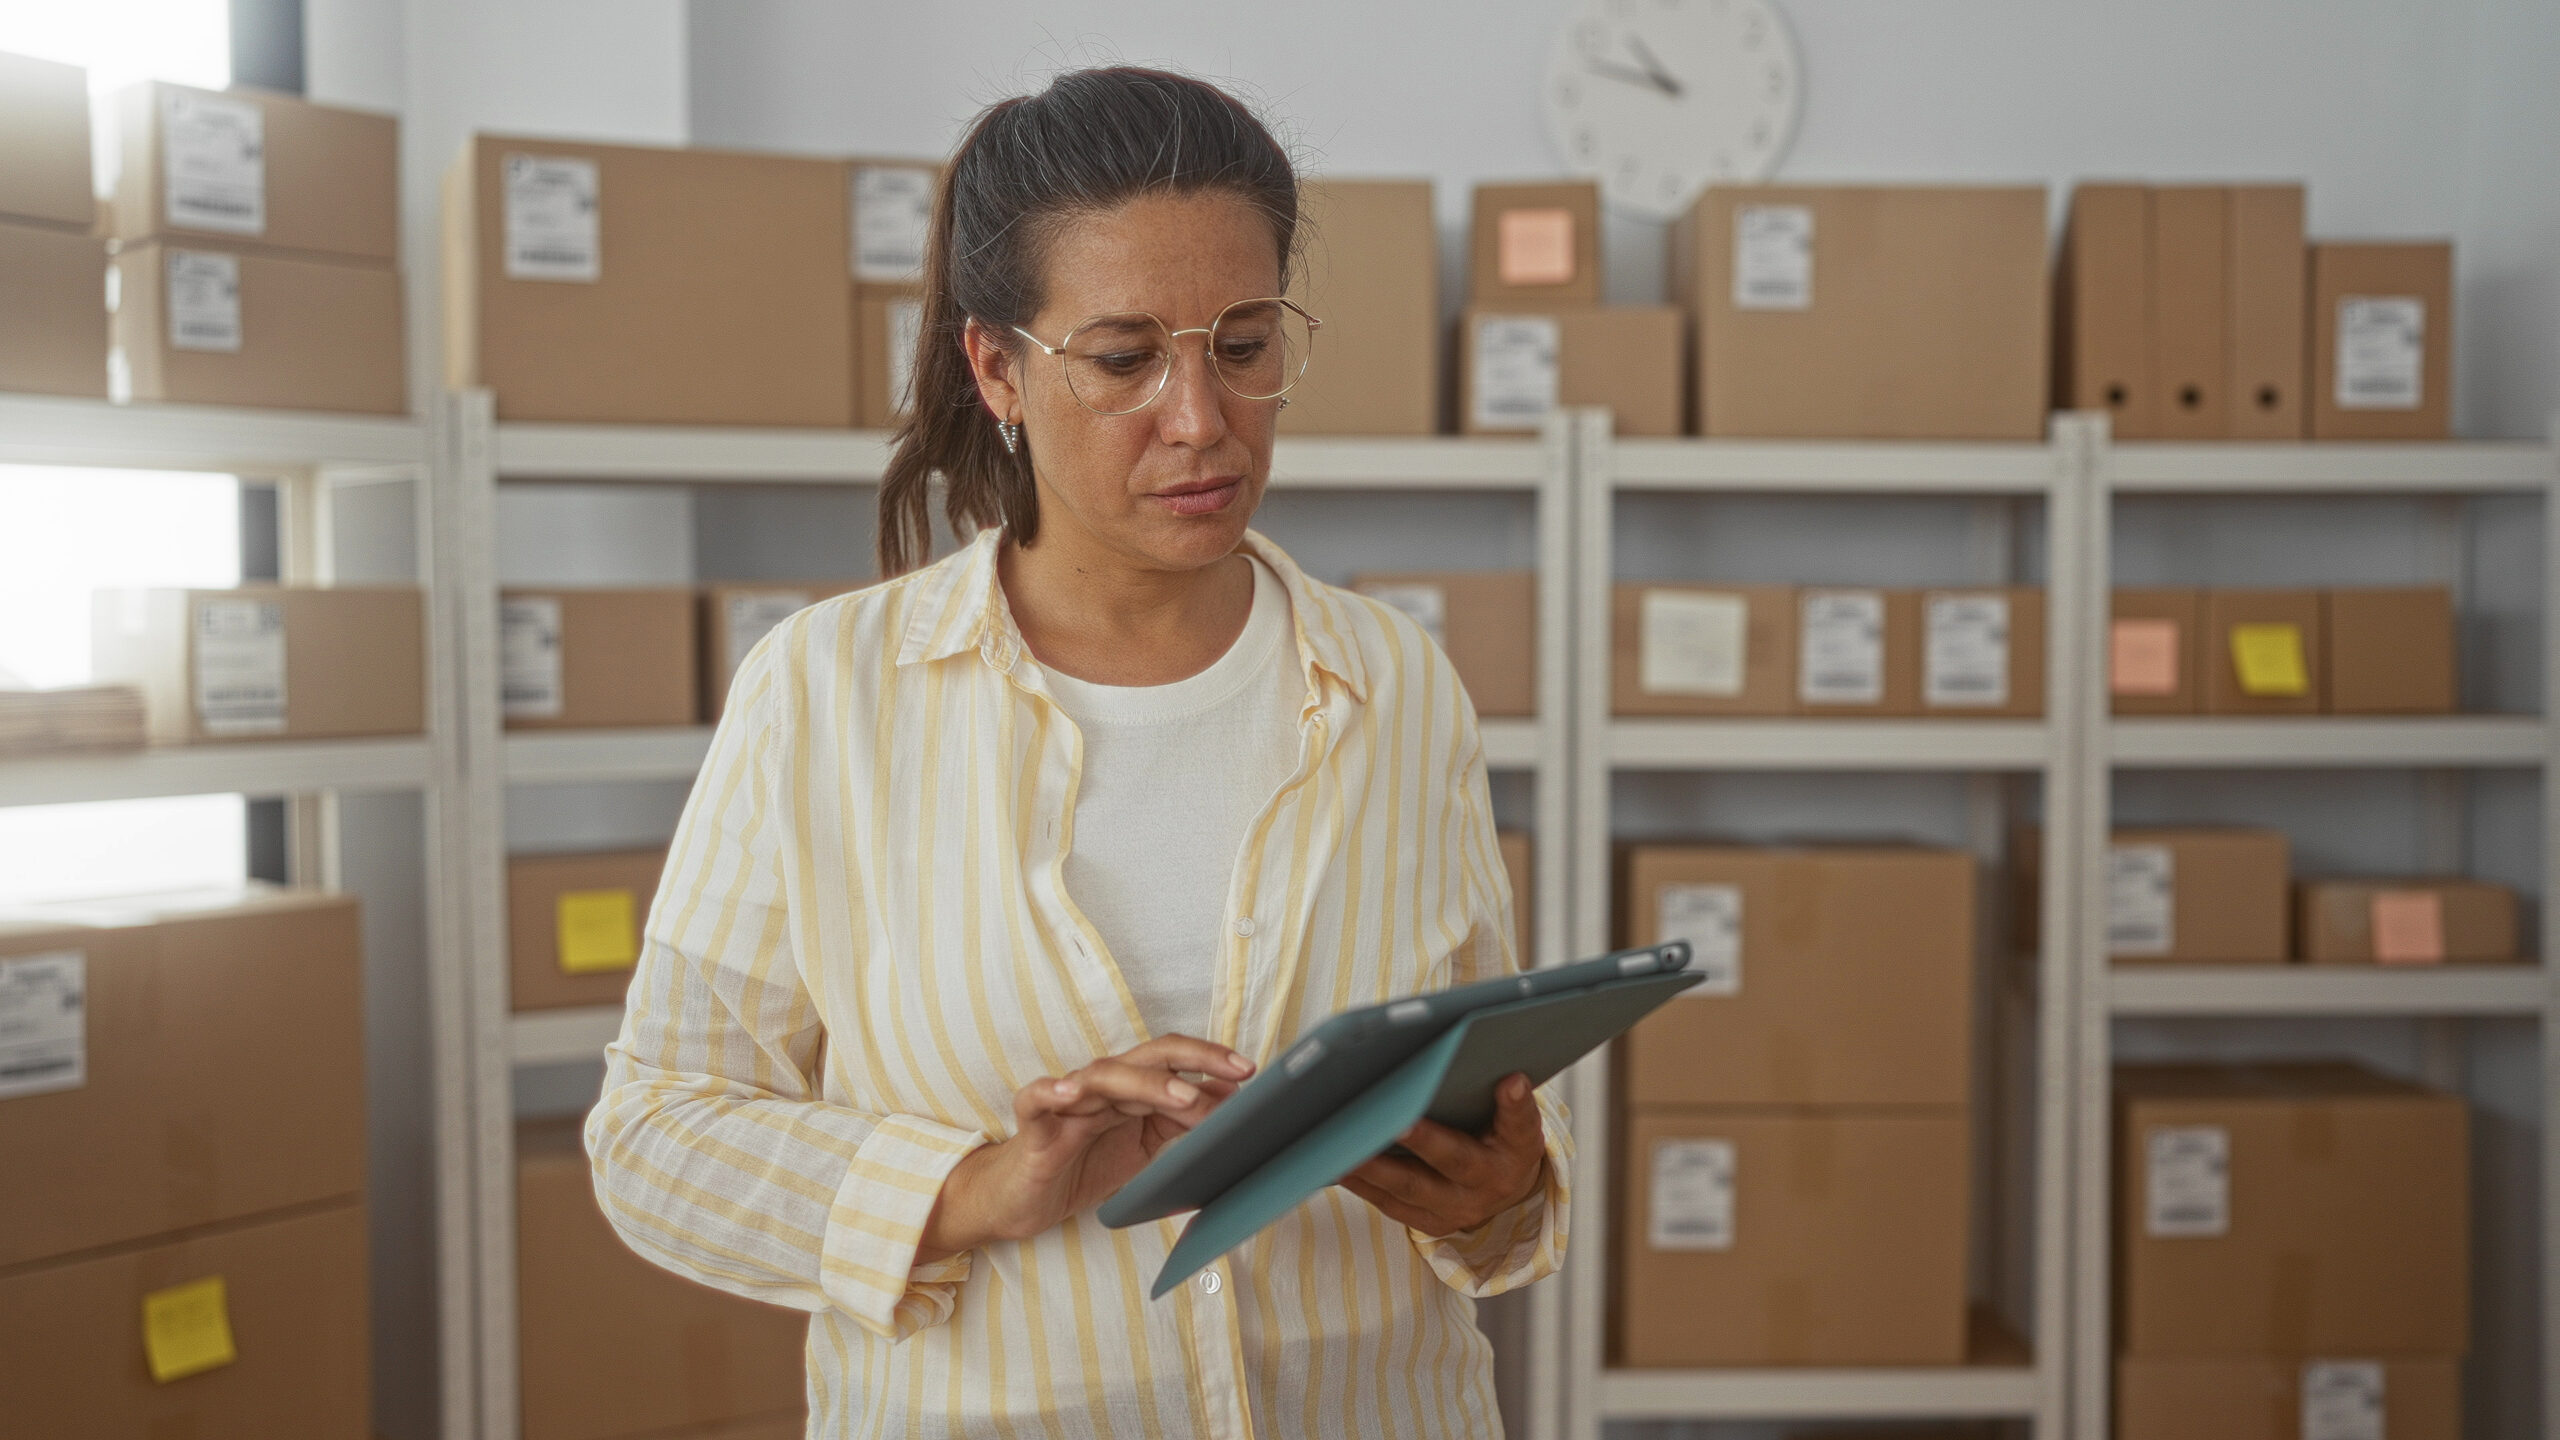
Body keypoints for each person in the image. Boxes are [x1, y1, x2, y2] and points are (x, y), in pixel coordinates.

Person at [585, 64, 1570, 1439]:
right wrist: (980, 1184)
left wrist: (1505, 1193)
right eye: (1123, 360)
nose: (1200, 419)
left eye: (1243, 344)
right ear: (996, 367)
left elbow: (1487, 1108)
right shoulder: (824, 697)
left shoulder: (1397, 685)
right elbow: (656, 1140)